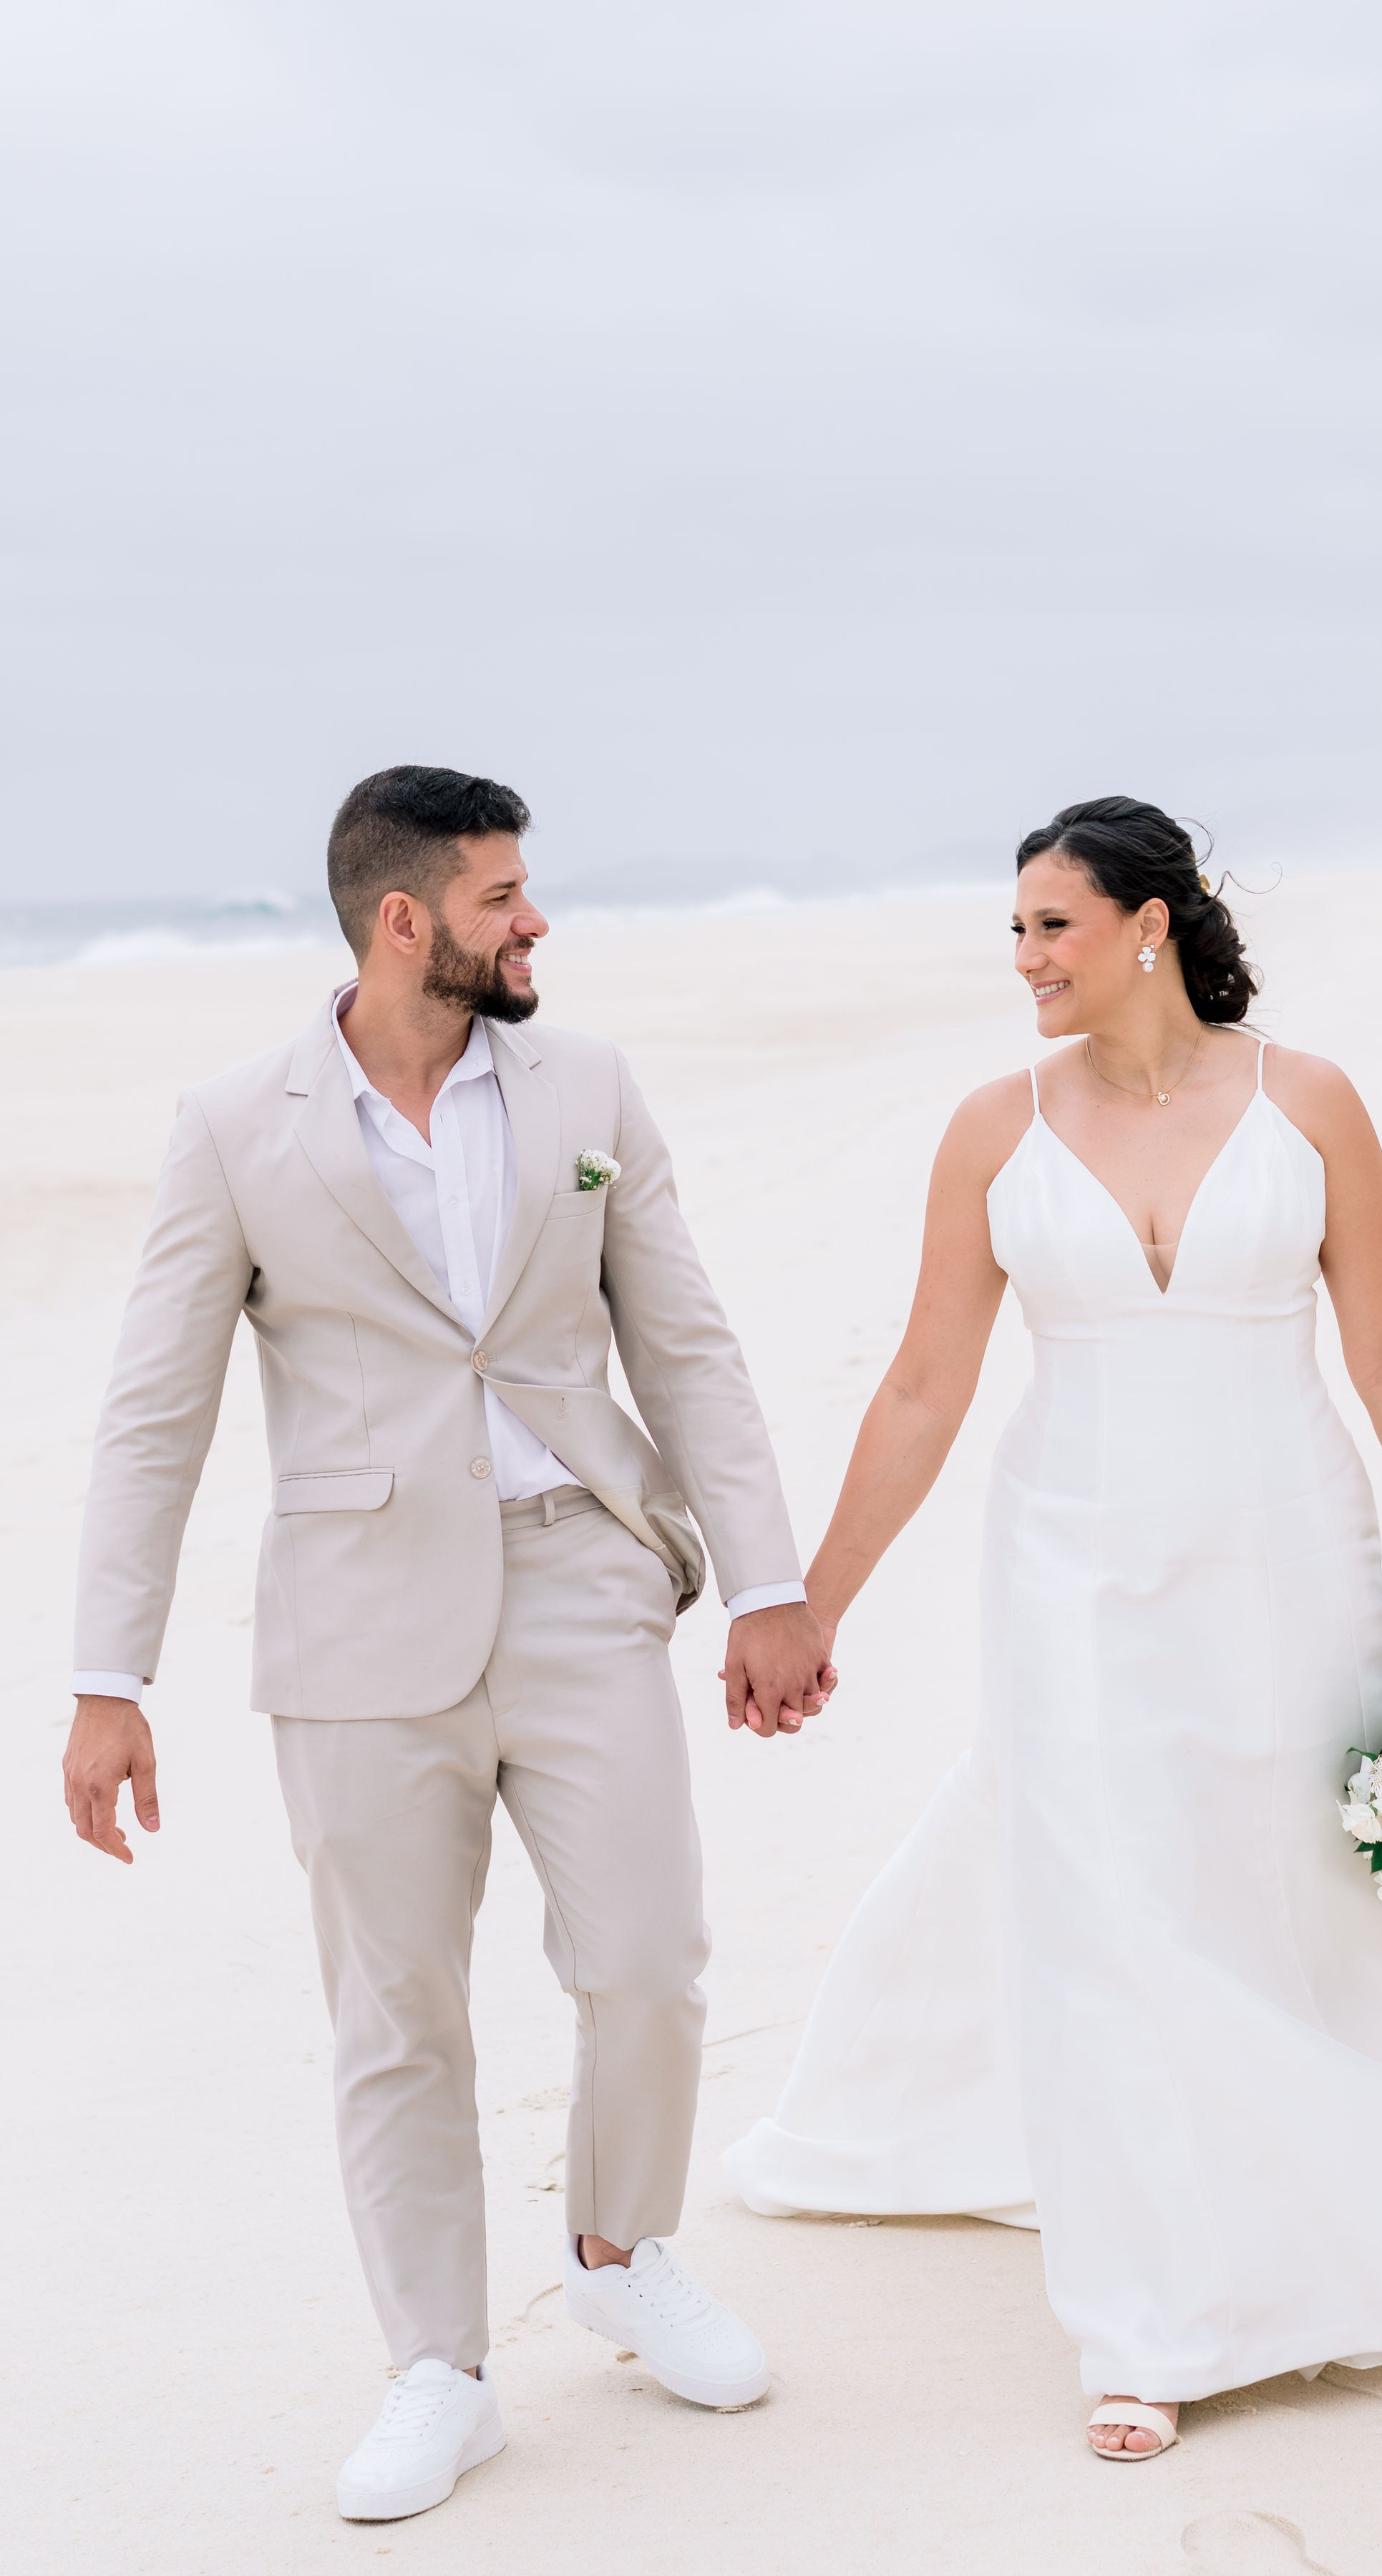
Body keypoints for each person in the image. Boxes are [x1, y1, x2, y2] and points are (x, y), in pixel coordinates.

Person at [726, 794, 1382, 2462]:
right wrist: (813, 1601)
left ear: (1149, 924)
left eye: (1052, 925)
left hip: (1284, 1550)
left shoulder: (1306, 1100)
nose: (1026, 958)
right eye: (1016, 932)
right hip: (1070, 1567)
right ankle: (1153, 2320)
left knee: (1295, 1875)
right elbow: (921, 1385)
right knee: (1114, 1917)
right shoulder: (991, 1128)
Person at [63, 766, 831, 2523]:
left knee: (646, 1953)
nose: (533, 919)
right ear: (403, 922)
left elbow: (687, 1345)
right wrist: (112, 1683)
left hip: (577, 1575)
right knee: (395, 2011)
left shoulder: (586, 1084)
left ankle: (623, 2252)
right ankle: (440, 2366)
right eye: (500, 896)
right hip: (349, 1628)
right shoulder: (235, 1123)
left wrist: (770, 1576)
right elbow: (151, 1418)